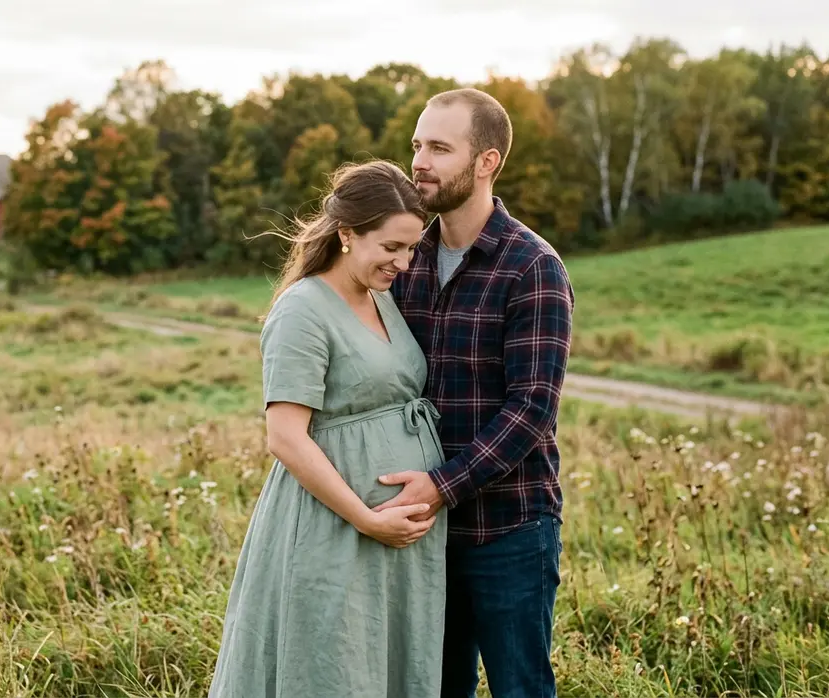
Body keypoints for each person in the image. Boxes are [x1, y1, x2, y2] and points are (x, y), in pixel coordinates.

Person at [209, 159, 447, 698]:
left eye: (411, 248)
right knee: (330, 667)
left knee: (382, 664)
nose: (404, 263)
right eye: (390, 247)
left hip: (395, 539)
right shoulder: (303, 310)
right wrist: (366, 518)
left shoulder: (382, 297)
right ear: (346, 234)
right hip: (334, 527)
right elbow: (285, 437)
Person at [379, 88, 575, 698]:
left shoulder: (531, 266)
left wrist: (441, 486)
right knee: (433, 688)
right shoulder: (403, 259)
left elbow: (531, 409)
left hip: (508, 528)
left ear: (486, 162)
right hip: (421, 534)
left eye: (439, 148)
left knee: (521, 689)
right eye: (416, 145)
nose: (420, 162)